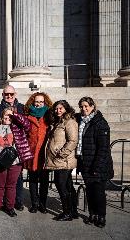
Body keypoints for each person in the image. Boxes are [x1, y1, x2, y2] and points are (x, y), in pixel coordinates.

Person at [76, 97, 113, 228]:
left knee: (98, 192)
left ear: (92, 106)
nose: (83, 109)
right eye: (81, 106)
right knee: (90, 191)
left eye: (86, 106)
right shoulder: (80, 120)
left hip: (98, 164)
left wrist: (97, 167)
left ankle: (101, 216)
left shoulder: (100, 123)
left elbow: (103, 148)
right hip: (86, 162)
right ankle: (92, 214)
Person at [0, 107, 32, 217]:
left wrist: (15, 115)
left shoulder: (18, 127)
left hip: (15, 161)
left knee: (11, 185)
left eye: (10, 115)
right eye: (6, 115)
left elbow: (27, 125)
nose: (8, 117)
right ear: (2, 116)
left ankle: (9, 207)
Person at [0, 85, 25, 211]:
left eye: (12, 94)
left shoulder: (21, 108)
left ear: (15, 94)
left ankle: (15, 203)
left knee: (15, 182)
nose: (9, 97)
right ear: (3, 95)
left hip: (15, 156)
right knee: (0, 183)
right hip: (0, 155)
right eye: (7, 94)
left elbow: (26, 126)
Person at [45, 100, 78, 221]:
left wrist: (62, 154)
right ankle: (72, 211)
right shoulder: (59, 122)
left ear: (66, 109)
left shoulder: (70, 122)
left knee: (61, 185)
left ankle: (67, 212)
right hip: (58, 160)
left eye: (61, 108)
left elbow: (73, 141)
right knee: (68, 186)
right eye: (56, 109)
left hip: (64, 160)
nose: (58, 111)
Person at [23, 92, 53, 213]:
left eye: (41, 102)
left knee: (44, 181)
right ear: (33, 102)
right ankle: (34, 204)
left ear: (45, 102)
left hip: (44, 152)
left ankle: (43, 204)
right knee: (33, 180)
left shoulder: (49, 115)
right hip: (32, 151)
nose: (39, 104)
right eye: (37, 102)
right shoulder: (28, 115)